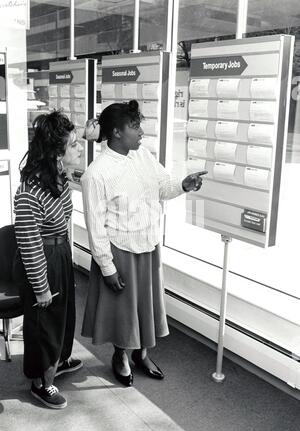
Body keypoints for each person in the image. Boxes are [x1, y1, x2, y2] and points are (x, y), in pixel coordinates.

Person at [80, 100, 204, 387]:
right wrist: (106, 267)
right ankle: (121, 356)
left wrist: (182, 185)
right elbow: (95, 226)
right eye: (134, 126)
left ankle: (142, 354)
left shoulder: (143, 156)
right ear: (116, 132)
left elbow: (163, 186)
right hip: (119, 250)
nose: (141, 131)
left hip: (148, 244)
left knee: (146, 306)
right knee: (123, 312)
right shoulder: (96, 174)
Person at [13, 110, 83, 409]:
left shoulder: (59, 179)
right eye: (75, 145)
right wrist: (41, 287)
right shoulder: (29, 194)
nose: (80, 149)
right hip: (41, 258)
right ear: (57, 153)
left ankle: (57, 361)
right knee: (45, 323)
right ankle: (42, 382)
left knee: (63, 317)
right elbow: (29, 245)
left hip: (59, 253)